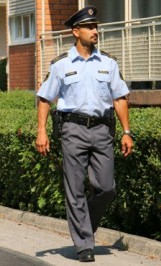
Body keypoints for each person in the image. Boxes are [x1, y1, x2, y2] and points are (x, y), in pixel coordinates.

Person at [35, 5, 133, 262]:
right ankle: (84, 245)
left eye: (96, 26)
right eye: (90, 27)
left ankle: (83, 226)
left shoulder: (109, 63)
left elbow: (120, 98)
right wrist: (42, 132)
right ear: (75, 31)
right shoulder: (61, 65)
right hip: (72, 130)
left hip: (102, 129)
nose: (95, 31)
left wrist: (127, 131)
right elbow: (45, 98)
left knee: (107, 188)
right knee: (76, 188)